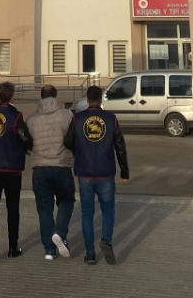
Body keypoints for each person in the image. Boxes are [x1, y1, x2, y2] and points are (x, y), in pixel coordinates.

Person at [64, 86, 129, 265]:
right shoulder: (111, 119)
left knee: (87, 213)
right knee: (108, 209)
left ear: (87, 99)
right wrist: (124, 171)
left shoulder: (77, 118)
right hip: (105, 172)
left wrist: (79, 150)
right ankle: (106, 240)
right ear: (101, 99)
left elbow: (67, 141)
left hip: (84, 172)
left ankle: (90, 254)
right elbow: (120, 146)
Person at [0, 82, 33, 263]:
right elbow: (24, 138)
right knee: (12, 209)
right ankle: (13, 247)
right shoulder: (16, 116)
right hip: (12, 168)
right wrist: (28, 147)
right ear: (12, 96)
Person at [26, 85, 75, 261]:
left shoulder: (31, 119)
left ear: (41, 97)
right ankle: (60, 233)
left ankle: (49, 250)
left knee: (44, 208)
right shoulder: (68, 115)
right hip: (62, 166)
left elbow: (26, 143)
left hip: (39, 168)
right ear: (56, 96)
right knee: (67, 200)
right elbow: (73, 139)